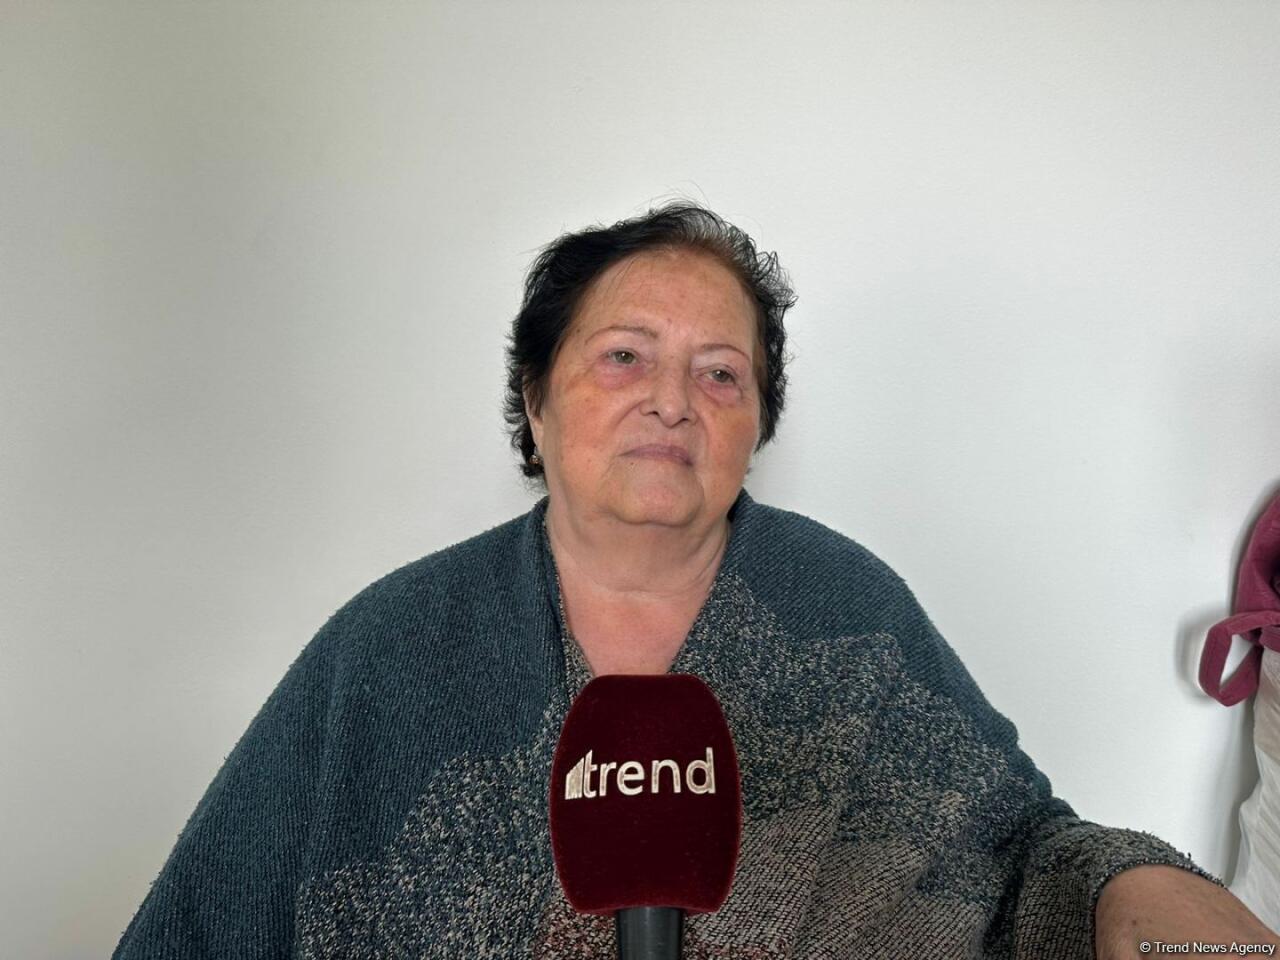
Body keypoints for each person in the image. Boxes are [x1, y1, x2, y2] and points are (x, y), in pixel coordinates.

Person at [113, 203, 1278, 958]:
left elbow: (1021, 852)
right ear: (534, 398)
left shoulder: (846, 615)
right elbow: (198, 930)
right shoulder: (391, 648)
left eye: (720, 374)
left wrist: (1135, 890)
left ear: (756, 425)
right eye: (624, 357)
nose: (672, 400)